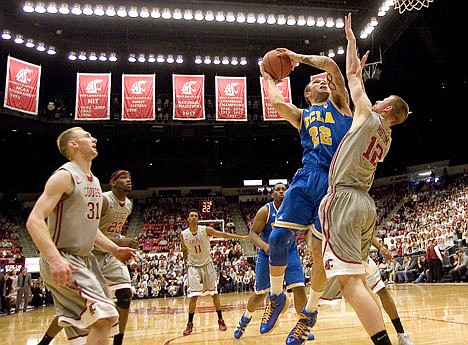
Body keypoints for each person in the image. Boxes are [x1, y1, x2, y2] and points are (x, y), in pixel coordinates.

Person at [319, 13, 409, 345]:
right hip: (365, 205)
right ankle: (393, 336)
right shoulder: (386, 139)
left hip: (343, 199)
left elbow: (353, 75)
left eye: (384, 100)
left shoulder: (368, 114)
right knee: (360, 281)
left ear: (386, 110)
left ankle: (384, 341)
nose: (379, 99)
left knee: (351, 284)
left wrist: (351, 41)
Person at [258, 45, 354, 342]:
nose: (322, 81)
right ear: (308, 94)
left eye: (323, 80)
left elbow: (333, 68)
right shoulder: (303, 115)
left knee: (317, 253)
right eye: (315, 82)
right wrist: (266, 75)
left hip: (333, 183)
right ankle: (277, 296)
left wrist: (296, 57)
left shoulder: (340, 104)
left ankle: (309, 314)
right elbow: (276, 103)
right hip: (304, 178)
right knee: (276, 238)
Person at [26, 127, 136, 345]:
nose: (93, 138)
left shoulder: (94, 182)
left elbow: (91, 228)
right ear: (73, 145)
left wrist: (115, 249)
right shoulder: (64, 176)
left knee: (96, 327)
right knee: (105, 315)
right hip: (64, 258)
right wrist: (55, 259)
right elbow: (34, 220)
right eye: (86, 135)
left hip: (86, 260)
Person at [233, 183, 314, 340]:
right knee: (260, 294)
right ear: (272, 195)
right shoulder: (265, 211)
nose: (281, 192)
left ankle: (303, 326)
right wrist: (265, 246)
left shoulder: (295, 209)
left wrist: (309, 246)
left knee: (299, 289)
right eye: (278, 190)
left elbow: (307, 229)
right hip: (267, 255)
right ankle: (244, 320)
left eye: (284, 189)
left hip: (290, 252)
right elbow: (252, 234)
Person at [321, 238, 415, 345]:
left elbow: (368, 233)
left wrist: (380, 247)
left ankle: (401, 333)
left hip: (364, 258)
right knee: (322, 298)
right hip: (344, 259)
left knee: (382, 291)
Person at [180, 209, 248, 336]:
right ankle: (189, 324)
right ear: (188, 219)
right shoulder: (183, 234)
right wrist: (185, 264)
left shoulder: (205, 230)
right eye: (191, 216)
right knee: (193, 296)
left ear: (198, 218)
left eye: (196, 216)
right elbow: (184, 250)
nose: (194, 217)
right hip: (193, 267)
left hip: (207, 265)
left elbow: (223, 235)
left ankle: (220, 320)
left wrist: (241, 237)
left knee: (214, 293)